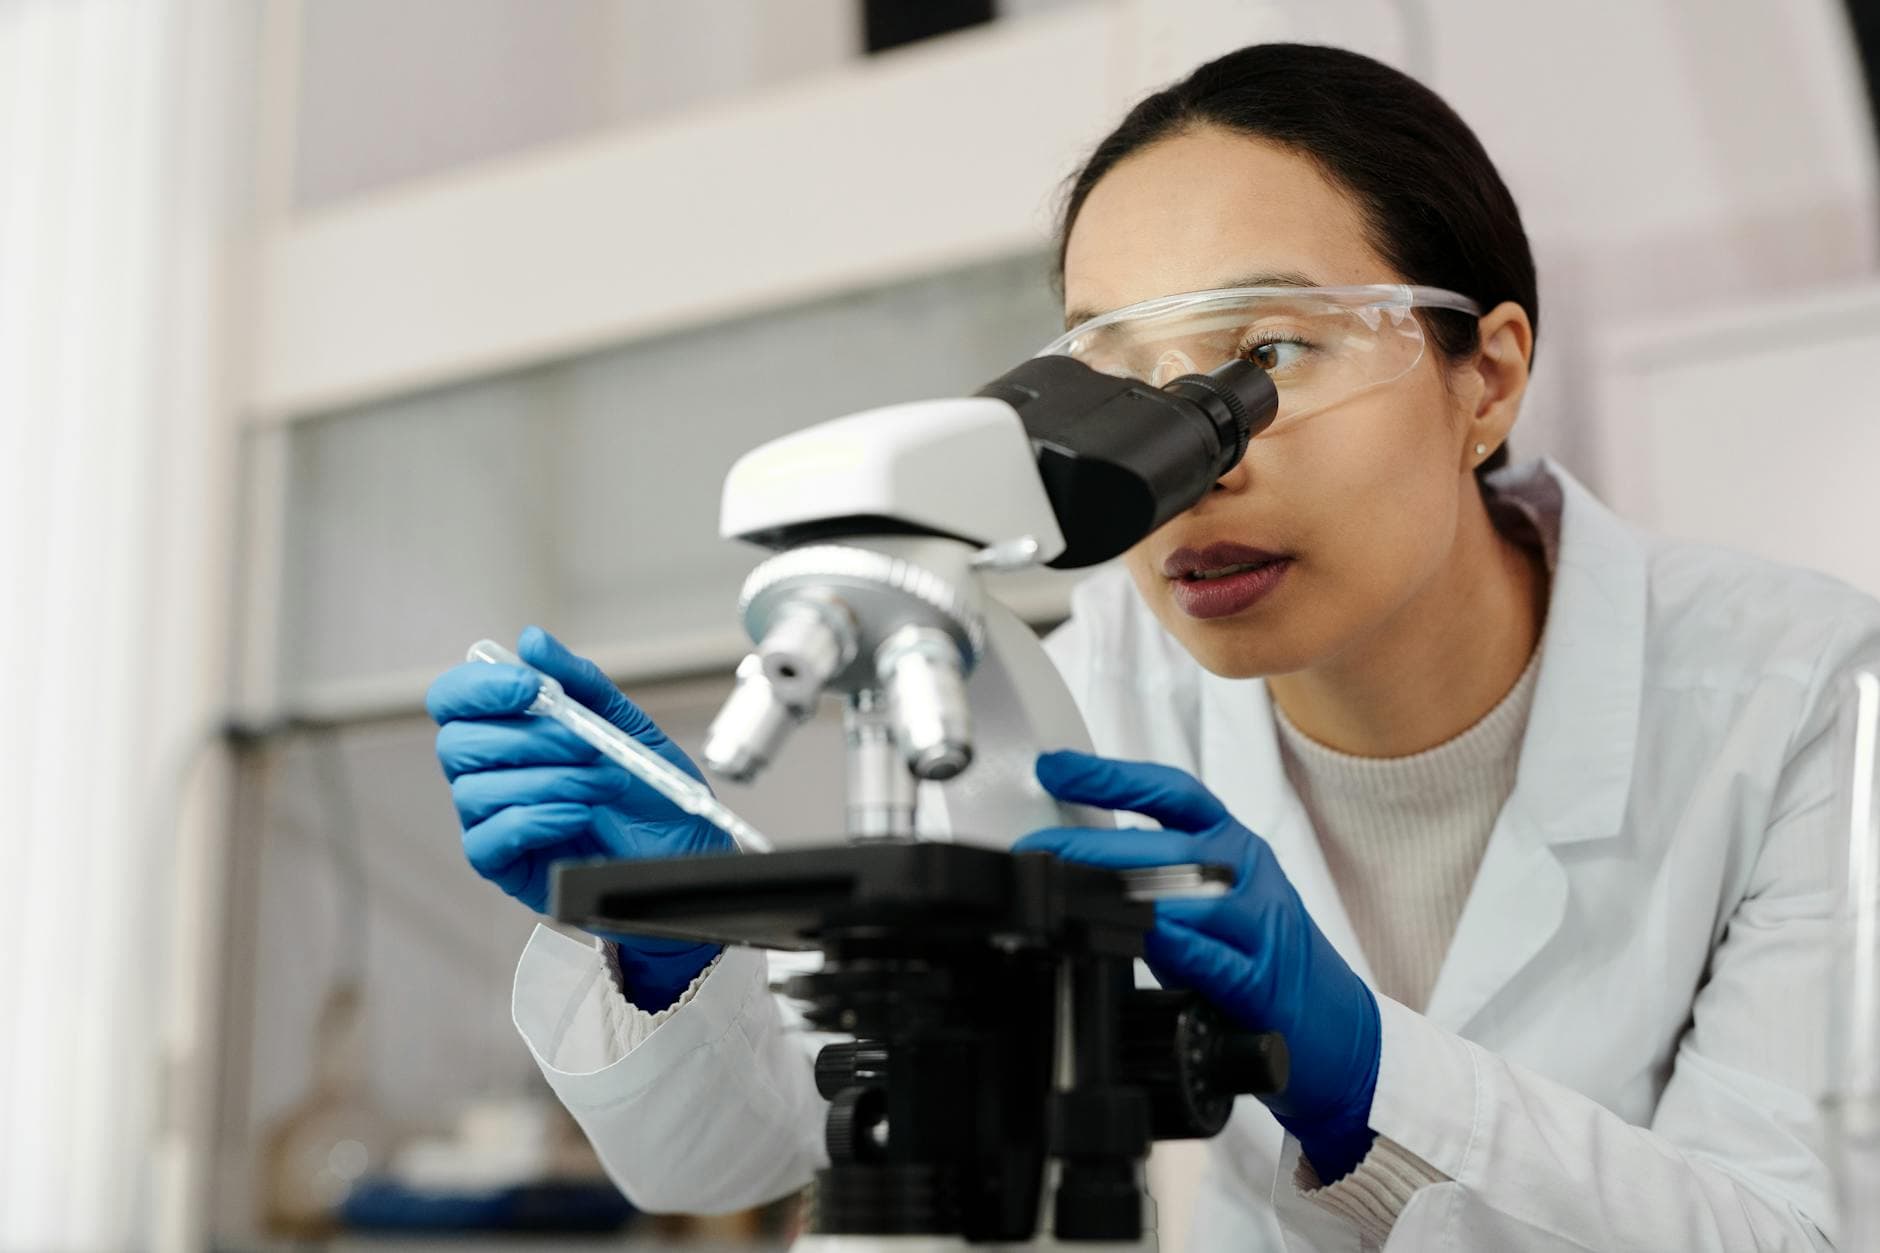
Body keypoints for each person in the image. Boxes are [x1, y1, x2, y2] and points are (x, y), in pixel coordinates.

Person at [425, 43, 1878, 1250]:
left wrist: (1363, 1073)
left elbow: (1804, 1231)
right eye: (1116, 380)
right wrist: (679, 947)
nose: (1187, 468)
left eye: (1269, 360)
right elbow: (756, 1143)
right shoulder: (1087, 676)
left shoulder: (1808, 700)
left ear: (1485, 375)